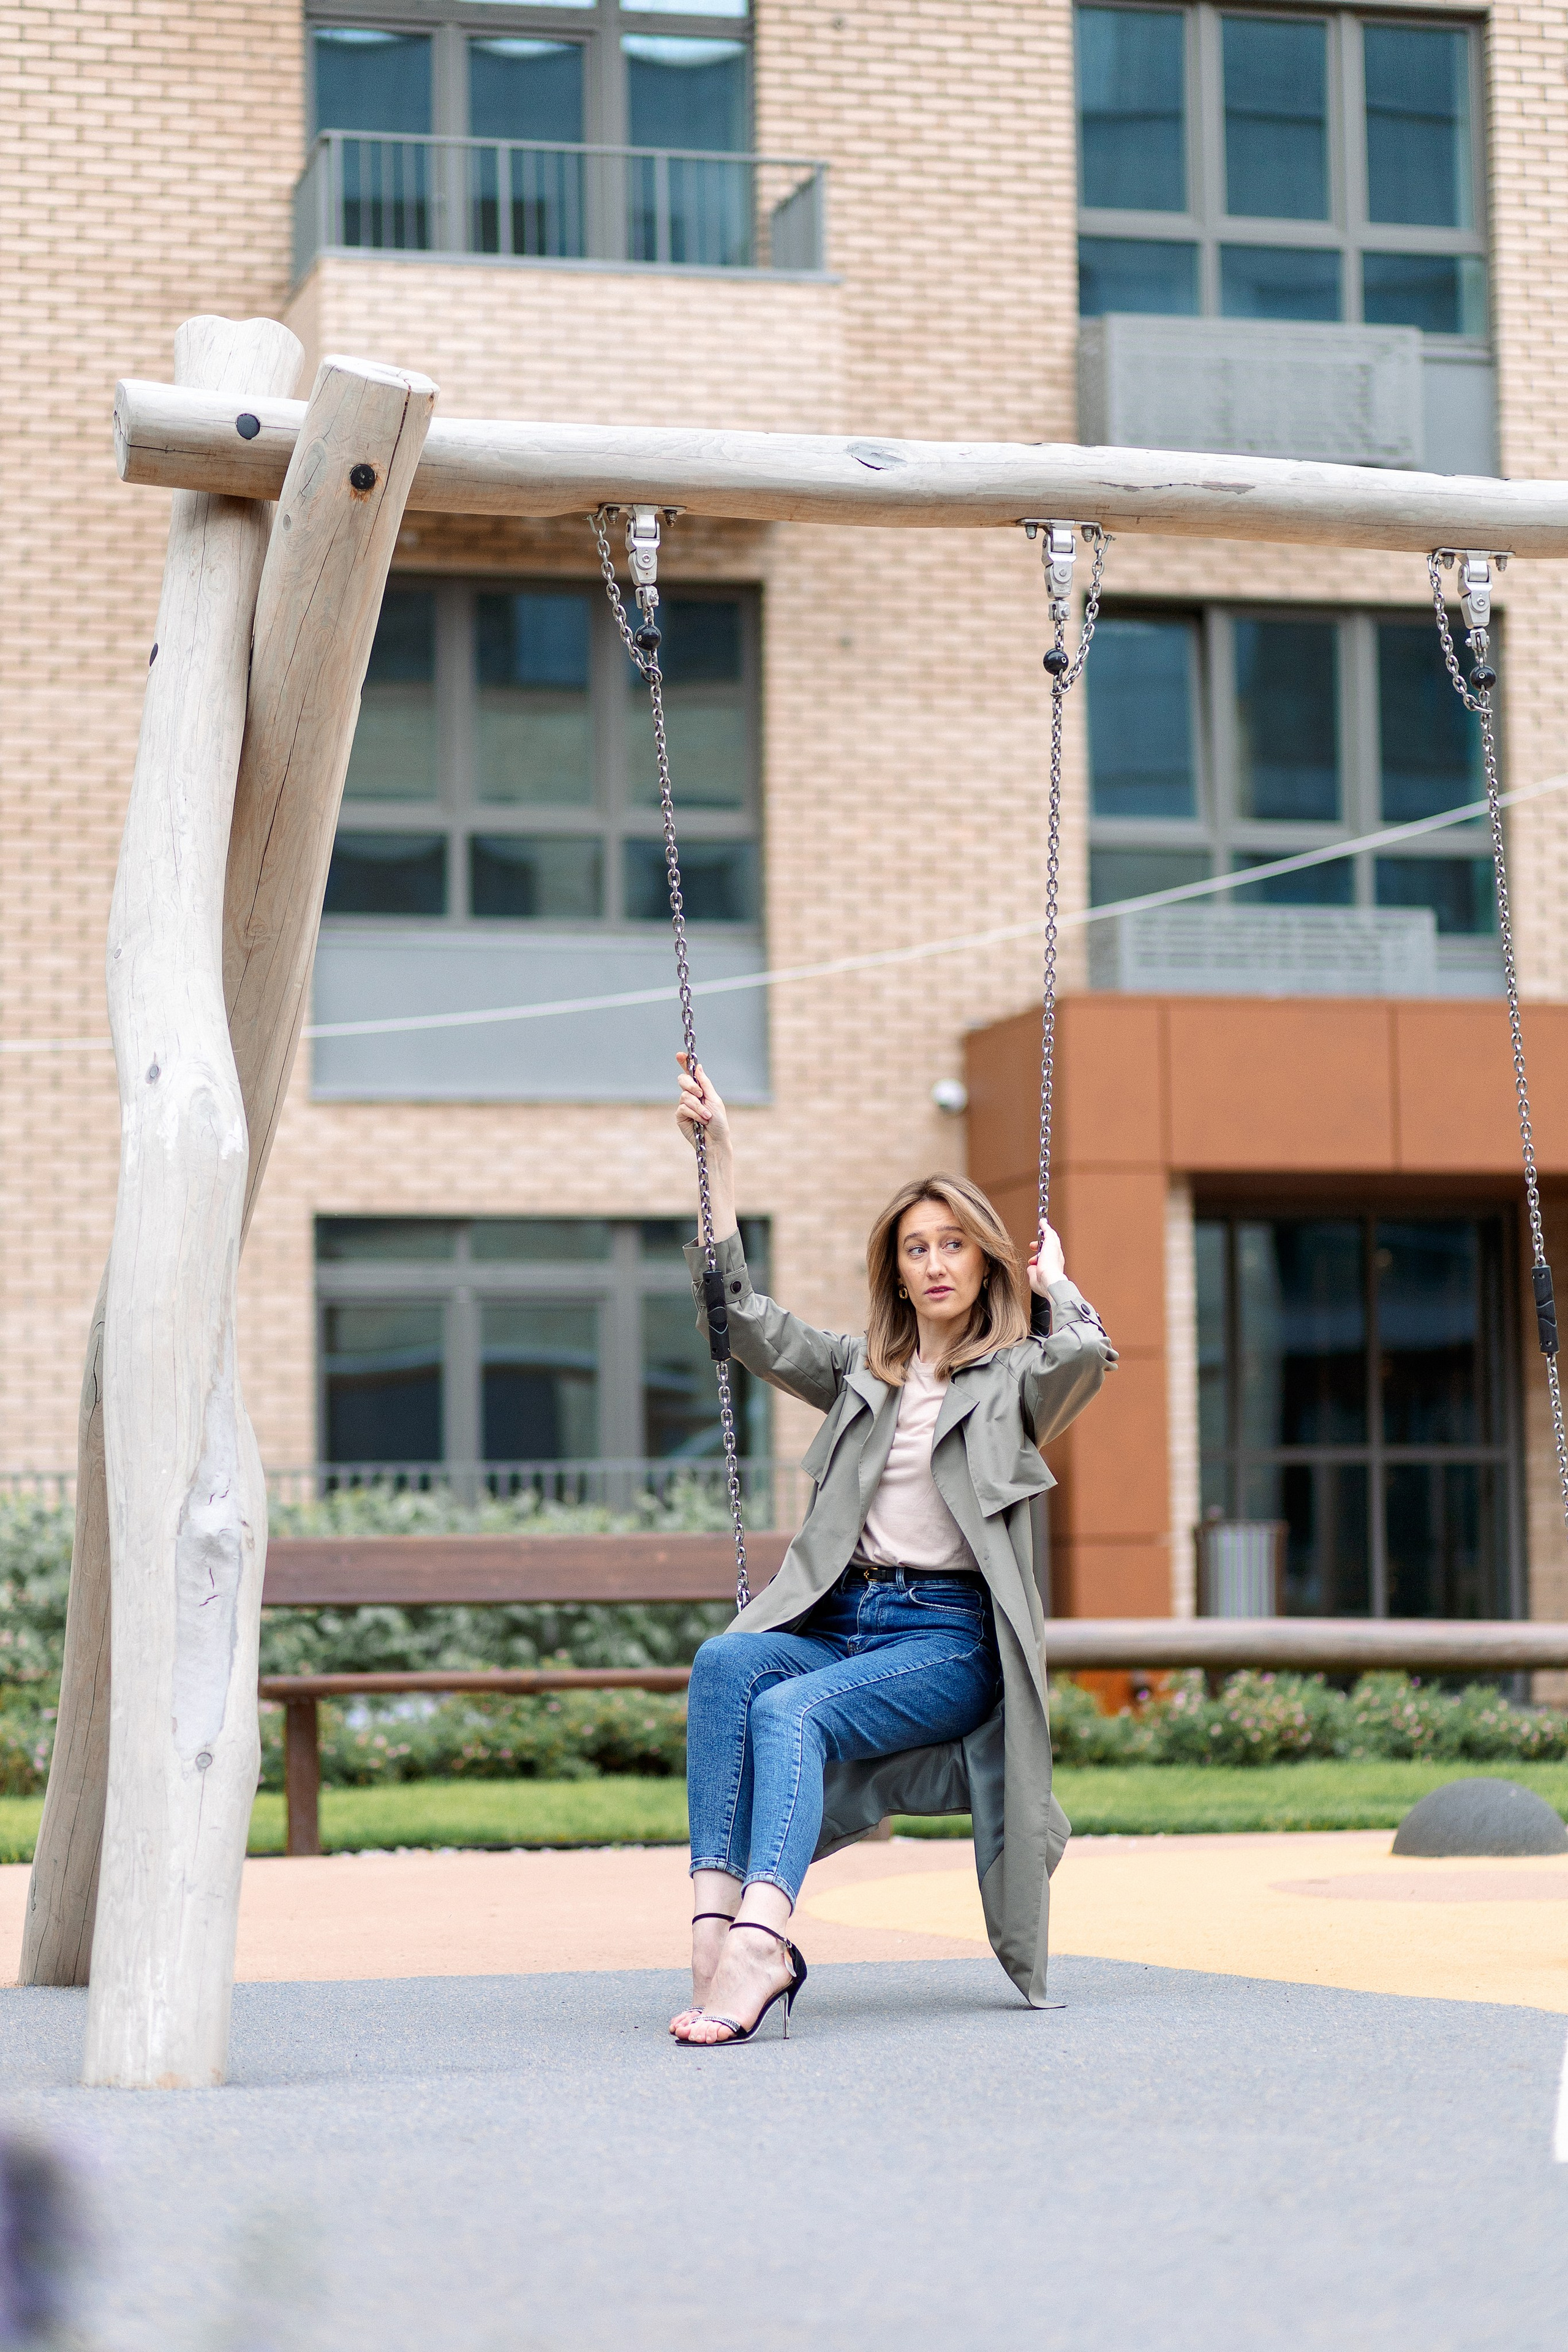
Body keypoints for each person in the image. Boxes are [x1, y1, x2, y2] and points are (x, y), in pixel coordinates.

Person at [669, 1054, 1117, 2046]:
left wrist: (1057, 1284)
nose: (938, 1263)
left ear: (984, 1263)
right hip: (846, 1624)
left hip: (947, 1642)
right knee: (727, 1664)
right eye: (918, 1248)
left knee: (793, 1710)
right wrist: (722, 1159)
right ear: (898, 1269)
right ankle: (713, 1921)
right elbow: (738, 1316)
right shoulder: (858, 1373)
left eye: (956, 1245)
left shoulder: (1017, 1379)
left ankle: (761, 1943)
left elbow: (1088, 1358)